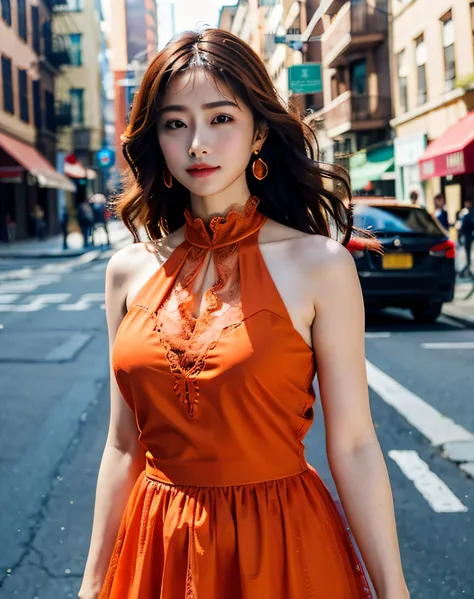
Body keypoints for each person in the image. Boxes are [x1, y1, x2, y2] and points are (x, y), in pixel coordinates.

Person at [79, 29, 409, 599]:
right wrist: (90, 585)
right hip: (157, 547)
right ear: (156, 140)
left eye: (221, 118)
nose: (197, 144)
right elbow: (122, 445)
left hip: (282, 546)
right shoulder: (127, 271)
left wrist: (393, 589)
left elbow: (353, 443)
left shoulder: (320, 265)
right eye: (175, 123)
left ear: (259, 131)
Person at [456, 198, 474, 277]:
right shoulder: (464, 213)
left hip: (468, 235)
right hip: (464, 235)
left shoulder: (470, 213)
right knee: (463, 255)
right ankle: (464, 270)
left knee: (467, 255)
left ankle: (467, 270)